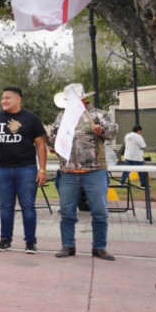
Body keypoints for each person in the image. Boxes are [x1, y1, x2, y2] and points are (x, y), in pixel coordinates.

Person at [48, 85, 119, 261]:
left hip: (94, 170)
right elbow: (52, 139)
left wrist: (101, 130)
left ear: (83, 100)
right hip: (68, 170)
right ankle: (68, 245)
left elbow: (113, 130)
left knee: (99, 211)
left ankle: (99, 247)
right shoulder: (62, 117)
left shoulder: (96, 114)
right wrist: (53, 141)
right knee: (67, 211)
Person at [0, 86, 47, 253]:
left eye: (7, 98)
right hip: (1, 169)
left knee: (28, 206)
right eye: (2, 98)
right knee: (5, 206)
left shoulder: (31, 118)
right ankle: (5, 239)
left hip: (26, 169)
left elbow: (40, 144)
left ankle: (30, 242)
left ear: (18, 99)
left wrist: (42, 170)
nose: (3, 101)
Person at [120, 125, 149, 189]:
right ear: (138, 130)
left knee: (126, 170)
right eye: (141, 131)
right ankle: (143, 185)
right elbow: (143, 147)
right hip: (137, 157)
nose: (141, 132)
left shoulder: (127, 135)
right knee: (141, 171)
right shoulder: (138, 137)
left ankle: (121, 182)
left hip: (128, 156)